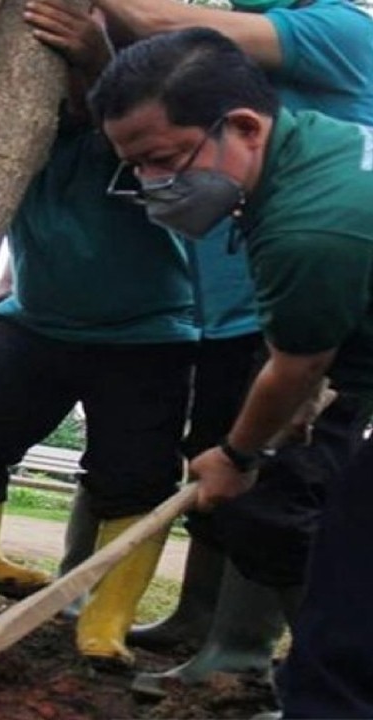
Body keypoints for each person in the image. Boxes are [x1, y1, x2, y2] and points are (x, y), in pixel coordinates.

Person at [61, 0, 373, 690]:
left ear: (243, 126)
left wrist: (237, 455)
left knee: (306, 536)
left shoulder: (307, 228)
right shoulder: (311, 145)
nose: (153, 183)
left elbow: (298, 363)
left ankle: (312, 687)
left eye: (165, 160)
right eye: (136, 166)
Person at [0, 2, 198, 667]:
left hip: (148, 335)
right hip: (35, 329)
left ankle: (106, 620)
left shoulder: (141, 135)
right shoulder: (21, 137)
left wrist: (99, 63)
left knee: (135, 476)